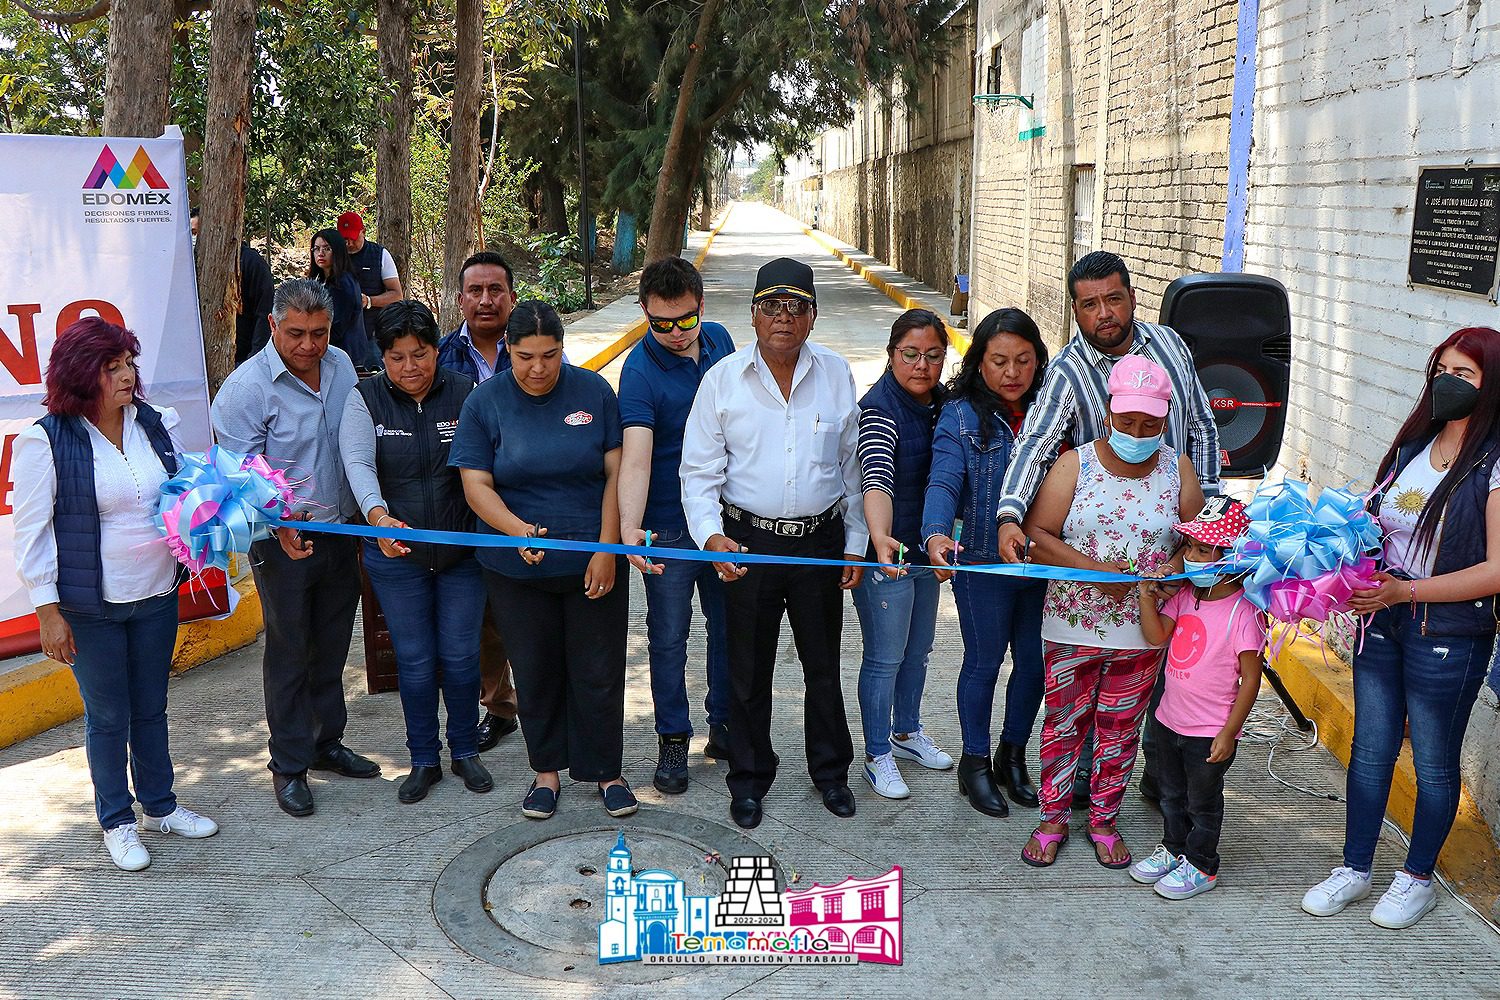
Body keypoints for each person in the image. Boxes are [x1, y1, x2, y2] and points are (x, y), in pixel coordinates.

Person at [995, 250, 1222, 808]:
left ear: (1132, 298)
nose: (1104, 313)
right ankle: (1083, 787)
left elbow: (1202, 430)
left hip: (1173, 551)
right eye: (1089, 304)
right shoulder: (1070, 370)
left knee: (1168, 672)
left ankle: (1155, 777)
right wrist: (1008, 513)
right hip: (1096, 570)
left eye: (1113, 299)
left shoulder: (1172, 347)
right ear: (1075, 311)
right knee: (1080, 698)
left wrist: (1208, 533)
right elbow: (1036, 443)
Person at [1302, 326, 1500, 930]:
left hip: (1448, 632)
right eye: (1441, 369)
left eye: (1464, 374)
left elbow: (1496, 570)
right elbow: (1380, 514)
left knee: (1436, 763)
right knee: (1372, 749)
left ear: (1492, 384)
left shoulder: (1494, 463)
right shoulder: (1417, 443)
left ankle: (1416, 879)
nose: (1448, 382)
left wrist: (1407, 590)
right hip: (1383, 619)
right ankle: (1354, 868)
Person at [11, 318, 219, 870]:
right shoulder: (45, 439)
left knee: (151, 707)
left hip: (156, 593)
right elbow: (30, 533)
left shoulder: (151, 423)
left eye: (129, 363)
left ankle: (161, 806)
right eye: (112, 367)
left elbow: (182, 489)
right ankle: (117, 821)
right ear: (82, 375)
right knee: (108, 716)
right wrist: (48, 612)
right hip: (90, 607)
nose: (127, 376)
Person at [681, 257, 868, 830]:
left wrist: (855, 542)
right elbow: (699, 471)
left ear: (812, 317)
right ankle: (749, 778)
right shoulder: (722, 381)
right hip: (748, 544)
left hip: (818, 544)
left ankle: (831, 774)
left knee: (823, 668)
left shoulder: (836, 375)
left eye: (796, 308)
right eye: (771, 307)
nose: (783, 318)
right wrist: (711, 536)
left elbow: (853, 467)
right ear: (753, 315)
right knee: (747, 670)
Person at [450, 300, 636, 820]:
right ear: (507, 349)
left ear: (563, 350)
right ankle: (546, 774)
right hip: (516, 569)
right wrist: (515, 532)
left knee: (598, 670)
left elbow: (613, 476)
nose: (537, 368)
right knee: (535, 671)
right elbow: (475, 483)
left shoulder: (594, 392)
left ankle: (607, 772)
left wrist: (605, 549)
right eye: (525, 356)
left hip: (591, 564)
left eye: (550, 356)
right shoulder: (484, 402)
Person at [1018, 356, 1203, 869]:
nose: (1138, 432)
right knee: (1063, 724)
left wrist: (1170, 568)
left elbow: (1196, 544)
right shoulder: (1076, 464)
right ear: (1108, 412)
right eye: (1127, 422)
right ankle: (1052, 817)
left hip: (1142, 631)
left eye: (1150, 424)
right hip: (1072, 624)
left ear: (1165, 419)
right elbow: (1038, 534)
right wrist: (1095, 570)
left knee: (1120, 729)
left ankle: (1103, 820)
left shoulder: (1178, 468)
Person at [212, 278, 379, 818]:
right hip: (281, 540)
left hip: (340, 530)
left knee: (331, 645)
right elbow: (239, 479)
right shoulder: (244, 391)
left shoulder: (342, 367)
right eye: (297, 334)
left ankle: (326, 743)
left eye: (320, 333)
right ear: (272, 327)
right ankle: (288, 765)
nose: (309, 346)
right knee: (289, 651)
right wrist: (280, 523)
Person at [339, 300, 491, 804]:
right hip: (396, 555)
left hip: (461, 554)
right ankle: (423, 758)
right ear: (382, 357)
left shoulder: (467, 393)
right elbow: (359, 464)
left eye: (420, 353)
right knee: (416, 659)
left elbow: (482, 468)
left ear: (435, 350)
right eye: (397, 356)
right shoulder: (364, 398)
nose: (410, 367)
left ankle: (465, 750)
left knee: (462, 656)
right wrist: (377, 517)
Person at [923, 308, 1050, 817]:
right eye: (999, 361)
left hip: (1044, 563)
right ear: (979, 364)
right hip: (981, 562)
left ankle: (1012, 754)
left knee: (1035, 663)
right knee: (984, 661)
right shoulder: (960, 415)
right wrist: (934, 533)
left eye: (1023, 360)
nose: (1012, 373)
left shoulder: (1052, 411)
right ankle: (973, 763)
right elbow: (945, 479)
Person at [617, 256, 735, 794]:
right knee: (668, 638)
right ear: (644, 313)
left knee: (728, 629)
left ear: (701, 307)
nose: (673, 333)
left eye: (684, 320)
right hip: (665, 525)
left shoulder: (721, 342)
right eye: (659, 323)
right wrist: (629, 528)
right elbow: (636, 459)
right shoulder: (638, 371)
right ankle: (672, 739)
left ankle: (724, 724)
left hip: (723, 521)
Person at [1131, 497, 1265, 899]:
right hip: (1169, 719)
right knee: (1170, 793)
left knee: (1201, 801)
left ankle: (1202, 864)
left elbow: (1251, 680)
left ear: (1232, 556)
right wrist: (1145, 597)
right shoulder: (1186, 596)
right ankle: (1174, 849)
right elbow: (1156, 637)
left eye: (1204, 550)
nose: (1190, 556)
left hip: (1209, 731)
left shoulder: (1244, 612)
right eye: (1190, 547)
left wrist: (1230, 732)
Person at [852, 308, 954, 800]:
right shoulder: (879, 409)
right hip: (887, 551)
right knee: (885, 657)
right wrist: (880, 536)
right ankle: (876, 754)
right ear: (891, 355)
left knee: (918, 651)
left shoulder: (944, 403)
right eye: (910, 355)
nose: (921, 365)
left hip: (923, 549)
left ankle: (907, 731)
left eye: (933, 356)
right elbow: (876, 475)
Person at [437, 251, 523, 751]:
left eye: (496, 290)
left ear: (511, 297)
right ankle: (499, 707)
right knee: (482, 617)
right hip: (464, 505)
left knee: (531, 612)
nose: (486, 300)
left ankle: (552, 708)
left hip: (531, 502)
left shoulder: (536, 348)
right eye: (476, 291)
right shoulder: (442, 356)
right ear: (461, 297)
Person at [190, 207, 274, 365]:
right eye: (193, 233)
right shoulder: (192, 265)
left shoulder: (251, 262)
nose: (196, 239)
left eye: (199, 232)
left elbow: (264, 313)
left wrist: (255, 359)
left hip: (243, 359)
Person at [307, 228, 375, 367]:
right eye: (316, 248)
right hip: (332, 352)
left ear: (337, 251)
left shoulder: (343, 283)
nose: (320, 253)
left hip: (346, 356)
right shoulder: (322, 279)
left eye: (327, 249)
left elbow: (337, 326)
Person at [337, 211, 404, 338]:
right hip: (338, 333)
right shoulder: (332, 255)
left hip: (371, 332)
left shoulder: (380, 255)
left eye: (353, 238)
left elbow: (397, 295)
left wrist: (368, 301)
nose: (349, 244)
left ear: (363, 231)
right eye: (344, 239)